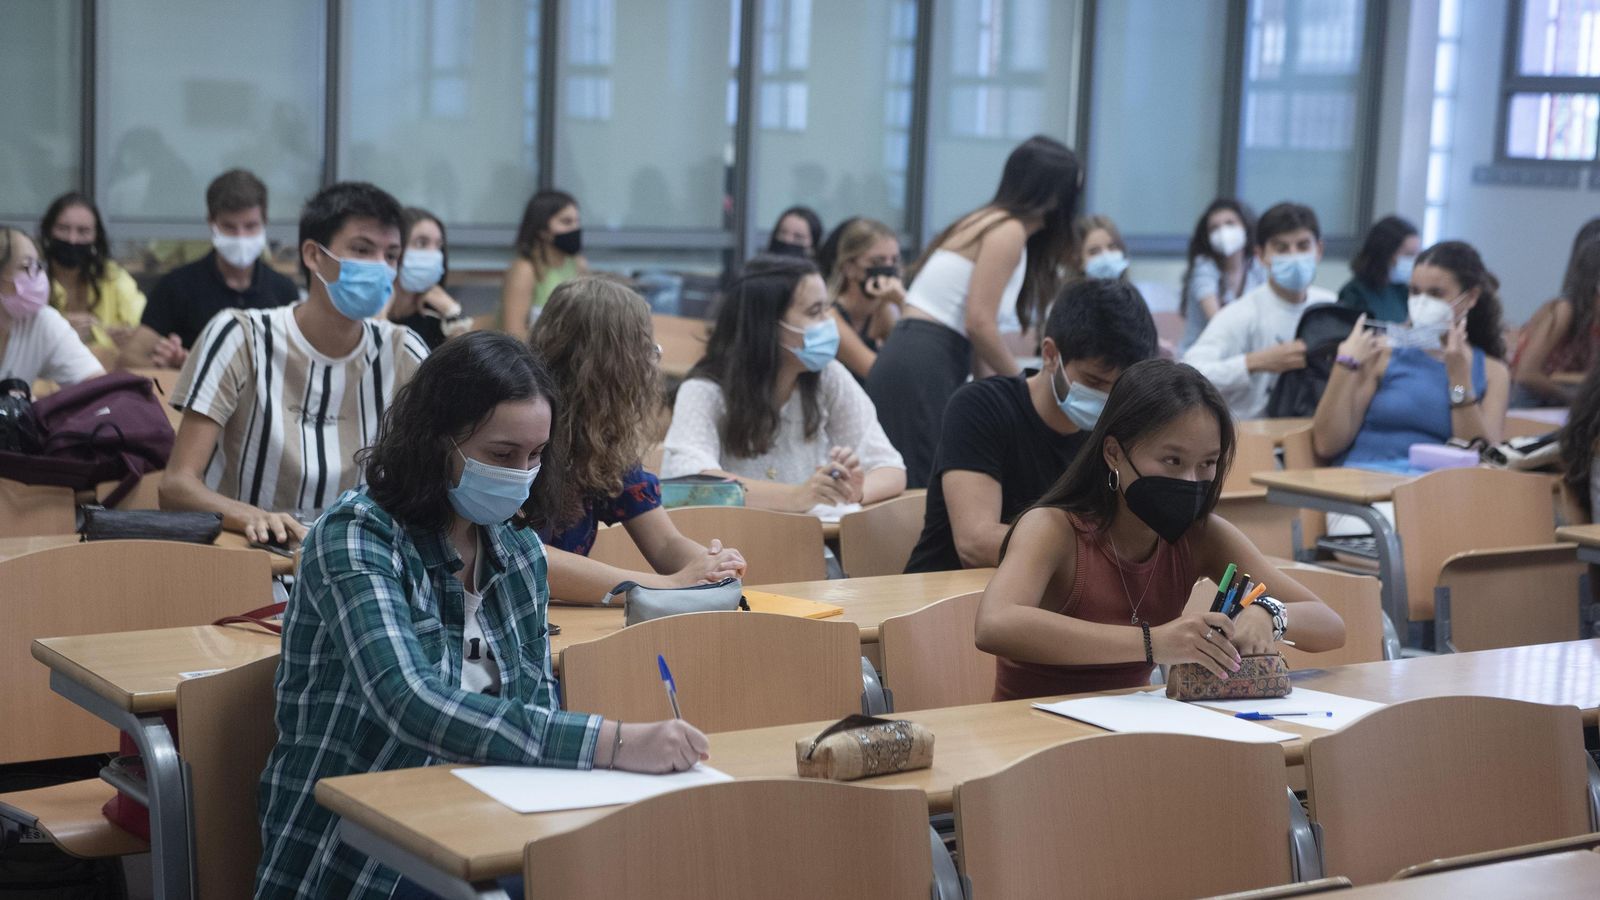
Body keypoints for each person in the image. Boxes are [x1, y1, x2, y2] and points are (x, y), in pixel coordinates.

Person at [254, 332, 708, 900]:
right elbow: (411, 702)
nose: (522, 473)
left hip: (491, 813)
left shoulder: (515, 549)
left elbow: (533, 702)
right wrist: (614, 742)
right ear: (436, 440)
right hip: (363, 848)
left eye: (536, 456)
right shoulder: (357, 535)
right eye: (501, 455)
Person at [974, 358, 1346, 700]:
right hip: (1033, 736)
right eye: (1172, 460)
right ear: (1114, 453)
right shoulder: (1053, 527)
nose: (1191, 479)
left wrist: (1269, 612)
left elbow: (1329, 624)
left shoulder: (1201, 536)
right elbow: (995, 623)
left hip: (1136, 736)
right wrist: (1152, 643)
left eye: (1208, 463)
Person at [160, 182, 430, 548]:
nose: (380, 267)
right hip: (247, 558)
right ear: (313, 256)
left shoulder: (405, 352)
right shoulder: (240, 336)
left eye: (392, 256)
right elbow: (175, 487)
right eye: (362, 250)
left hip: (355, 563)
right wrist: (250, 515)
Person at [866, 135, 1083, 488]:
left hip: (916, 354)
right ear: (1055, 194)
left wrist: (997, 393)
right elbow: (979, 323)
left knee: (921, 484)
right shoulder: (1007, 230)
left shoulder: (986, 221)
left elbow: (976, 334)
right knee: (921, 490)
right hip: (924, 359)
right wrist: (1023, 387)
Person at [906, 278, 1159, 573]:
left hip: (1047, 598)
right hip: (948, 597)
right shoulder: (980, 406)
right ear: (1051, 355)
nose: (1105, 398)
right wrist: (1089, 553)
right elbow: (975, 543)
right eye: (1094, 382)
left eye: (1118, 388)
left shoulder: (1118, 430)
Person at [529, 275, 747, 602]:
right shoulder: (527, 437)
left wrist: (709, 564)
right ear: (607, 363)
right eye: (645, 347)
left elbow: (665, 544)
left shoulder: (601, 439)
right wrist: (673, 584)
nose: (653, 360)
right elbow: (531, 559)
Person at [661, 256, 906, 513]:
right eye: (815, 312)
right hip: (731, 546)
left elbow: (890, 468)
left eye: (827, 308)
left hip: (813, 542)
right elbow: (689, 485)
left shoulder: (827, 374)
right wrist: (796, 498)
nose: (828, 322)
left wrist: (852, 492)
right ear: (767, 325)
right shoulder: (706, 389)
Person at [1311, 241, 1509, 465]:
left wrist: (1459, 379)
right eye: (1414, 292)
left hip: (1433, 491)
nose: (1422, 303)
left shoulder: (1492, 371)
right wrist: (1344, 365)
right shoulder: (1384, 352)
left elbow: (1481, 460)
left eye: (1436, 294)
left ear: (1471, 297)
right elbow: (1326, 444)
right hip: (1363, 481)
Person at [122, 169, 300, 369]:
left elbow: (298, 365)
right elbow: (129, 359)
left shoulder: (283, 291)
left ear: (265, 222)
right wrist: (174, 369)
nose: (241, 237)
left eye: (250, 226)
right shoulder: (177, 287)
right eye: (230, 227)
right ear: (211, 223)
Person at [1183, 202, 1335, 421]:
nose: (1293, 256)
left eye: (1303, 246)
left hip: (1321, 436)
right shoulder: (1240, 314)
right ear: (1261, 254)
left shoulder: (1332, 308)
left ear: (1318, 250)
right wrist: (1254, 362)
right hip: (1256, 439)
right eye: (1281, 248)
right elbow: (1190, 372)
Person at [38, 192, 145, 356]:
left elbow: (144, 323)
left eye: (83, 231)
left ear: (96, 237)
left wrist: (132, 336)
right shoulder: (31, 280)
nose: (72, 239)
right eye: (63, 229)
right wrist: (57, 333)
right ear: (48, 231)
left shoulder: (113, 276)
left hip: (107, 373)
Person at [1510, 218, 1600, 407]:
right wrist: (1573, 400)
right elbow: (1526, 375)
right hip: (1531, 400)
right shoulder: (1564, 309)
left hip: (1564, 395)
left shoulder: (1591, 314)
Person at [0, 227, 104, 386]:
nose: (38, 277)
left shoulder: (41, 320)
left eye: (39, 266)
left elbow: (99, 387)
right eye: (26, 267)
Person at [1178, 199, 1266, 352]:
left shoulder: (1256, 267)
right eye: (1214, 228)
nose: (1223, 232)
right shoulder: (1204, 267)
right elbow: (1218, 323)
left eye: (1230, 223)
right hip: (1200, 357)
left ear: (1245, 227)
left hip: (1242, 355)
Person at [824, 217, 905, 381]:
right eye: (877, 261)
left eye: (894, 261)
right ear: (849, 268)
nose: (888, 268)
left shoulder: (884, 309)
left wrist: (898, 303)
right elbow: (878, 373)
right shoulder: (829, 318)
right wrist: (903, 302)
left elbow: (912, 362)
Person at [500, 189, 586, 341]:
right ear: (542, 230)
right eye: (566, 222)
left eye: (577, 221)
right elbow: (513, 333)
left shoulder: (578, 264)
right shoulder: (525, 269)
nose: (575, 228)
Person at [387, 207, 471, 350]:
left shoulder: (438, 316)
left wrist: (452, 313)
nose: (433, 254)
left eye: (438, 245)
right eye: (422, 243)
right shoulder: (369, 310)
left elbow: (467, 365)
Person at [1336, 215, 1419, 324]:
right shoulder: (1354, 293)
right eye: (1408, 255)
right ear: (1385, 252)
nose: (1414, 261)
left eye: (1417, 254)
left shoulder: (1403, 290)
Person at [1072, 214, 1131, 282]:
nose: (1106, 256)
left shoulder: (1132, 292)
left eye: (1112, 247)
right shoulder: (1066, 292)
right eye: (1094, 252)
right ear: (1079, 261)